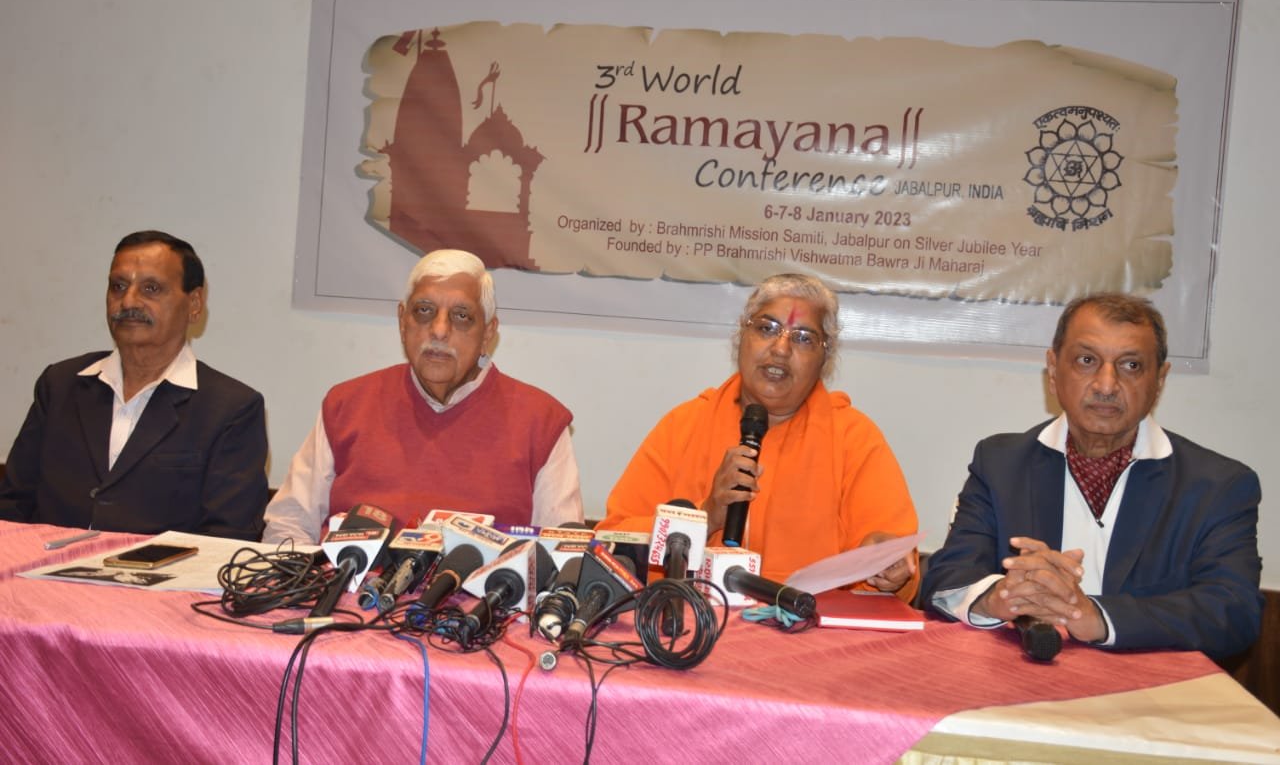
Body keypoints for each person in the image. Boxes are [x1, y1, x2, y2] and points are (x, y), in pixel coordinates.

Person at [922, 293, 1263, 659]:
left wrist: (1095, 616)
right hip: (1019, 680)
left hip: (1153, 688)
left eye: (1131, 365)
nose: (1106, 385)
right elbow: (946, 579)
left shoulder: (1218, 485)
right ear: (1054, 370)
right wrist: (1000, 597)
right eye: (1087, 361)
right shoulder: (1001, 463)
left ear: (1160, 380)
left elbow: (1233, 612)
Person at [596, 273, 919, 596]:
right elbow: (613, 544)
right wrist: (705, 516)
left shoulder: (853, 438)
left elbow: (899, 570)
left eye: (803, 338)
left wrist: (887, 565)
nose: (780, 349)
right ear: (742, 335)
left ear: (825, 357)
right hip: (693, 620)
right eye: (767, 328)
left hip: (808, 624)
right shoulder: (683, 426)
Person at [263, 249, 583, 544]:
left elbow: (561, 553)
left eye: (461, 316)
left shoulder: (541, 422)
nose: (439, 330)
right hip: (349, 587)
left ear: (488, 332)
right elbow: (288, 525)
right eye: (424, 311)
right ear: (403, 321)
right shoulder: (346, 405)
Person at [0, 231, 269, 540]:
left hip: (162, 572)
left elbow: (228, 537)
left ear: (194, 304)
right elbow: (13, 504)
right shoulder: (60, 384)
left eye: (151, 288)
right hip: (43, 567)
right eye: (118, 286)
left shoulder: (231, 408)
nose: (128, 301)